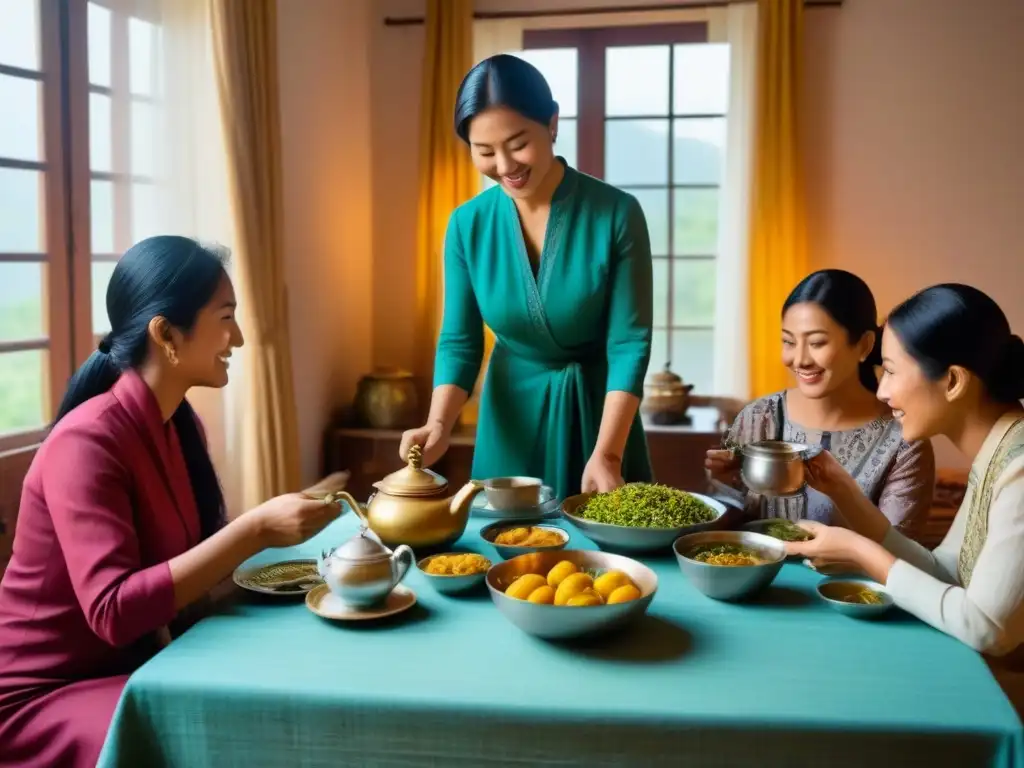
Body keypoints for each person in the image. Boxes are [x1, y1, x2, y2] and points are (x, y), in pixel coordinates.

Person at [0, 237, 339, 768]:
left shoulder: (180, 426)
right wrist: (253, 530)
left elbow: (188, 576)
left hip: (135, 669)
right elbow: (113, 612)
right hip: (42, 697)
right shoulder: (86, 442)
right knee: (227, 735)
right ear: (166, 334)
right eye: (225, 317)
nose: (241, 337)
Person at [400, 54, 654, 500]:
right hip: (509, 418)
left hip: (600, 417)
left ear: (552, 123)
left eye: (518, 143)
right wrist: (438, 424)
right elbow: (460, 341)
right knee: (507, 553)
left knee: (607, 562)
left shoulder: (617, 213)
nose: (505, 165)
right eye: (484, 151)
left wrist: (609, 453)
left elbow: (629, 342)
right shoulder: (467, 225)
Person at [785, 284, 1024, 707]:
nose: (881, 391)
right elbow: (947, 571)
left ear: (952, 381)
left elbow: (987, 629)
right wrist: (847, 495)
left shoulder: (1019, 466)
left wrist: (861, 553)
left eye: (892, 371)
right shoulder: (999, 449)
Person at [705, 270, 935, 529]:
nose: (800, 359)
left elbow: (899, 554)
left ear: (864, 345)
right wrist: (725, 486)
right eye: (788, 341)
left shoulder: (905, 442)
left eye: (816, 342)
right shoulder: (758, 417)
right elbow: (725, 533)